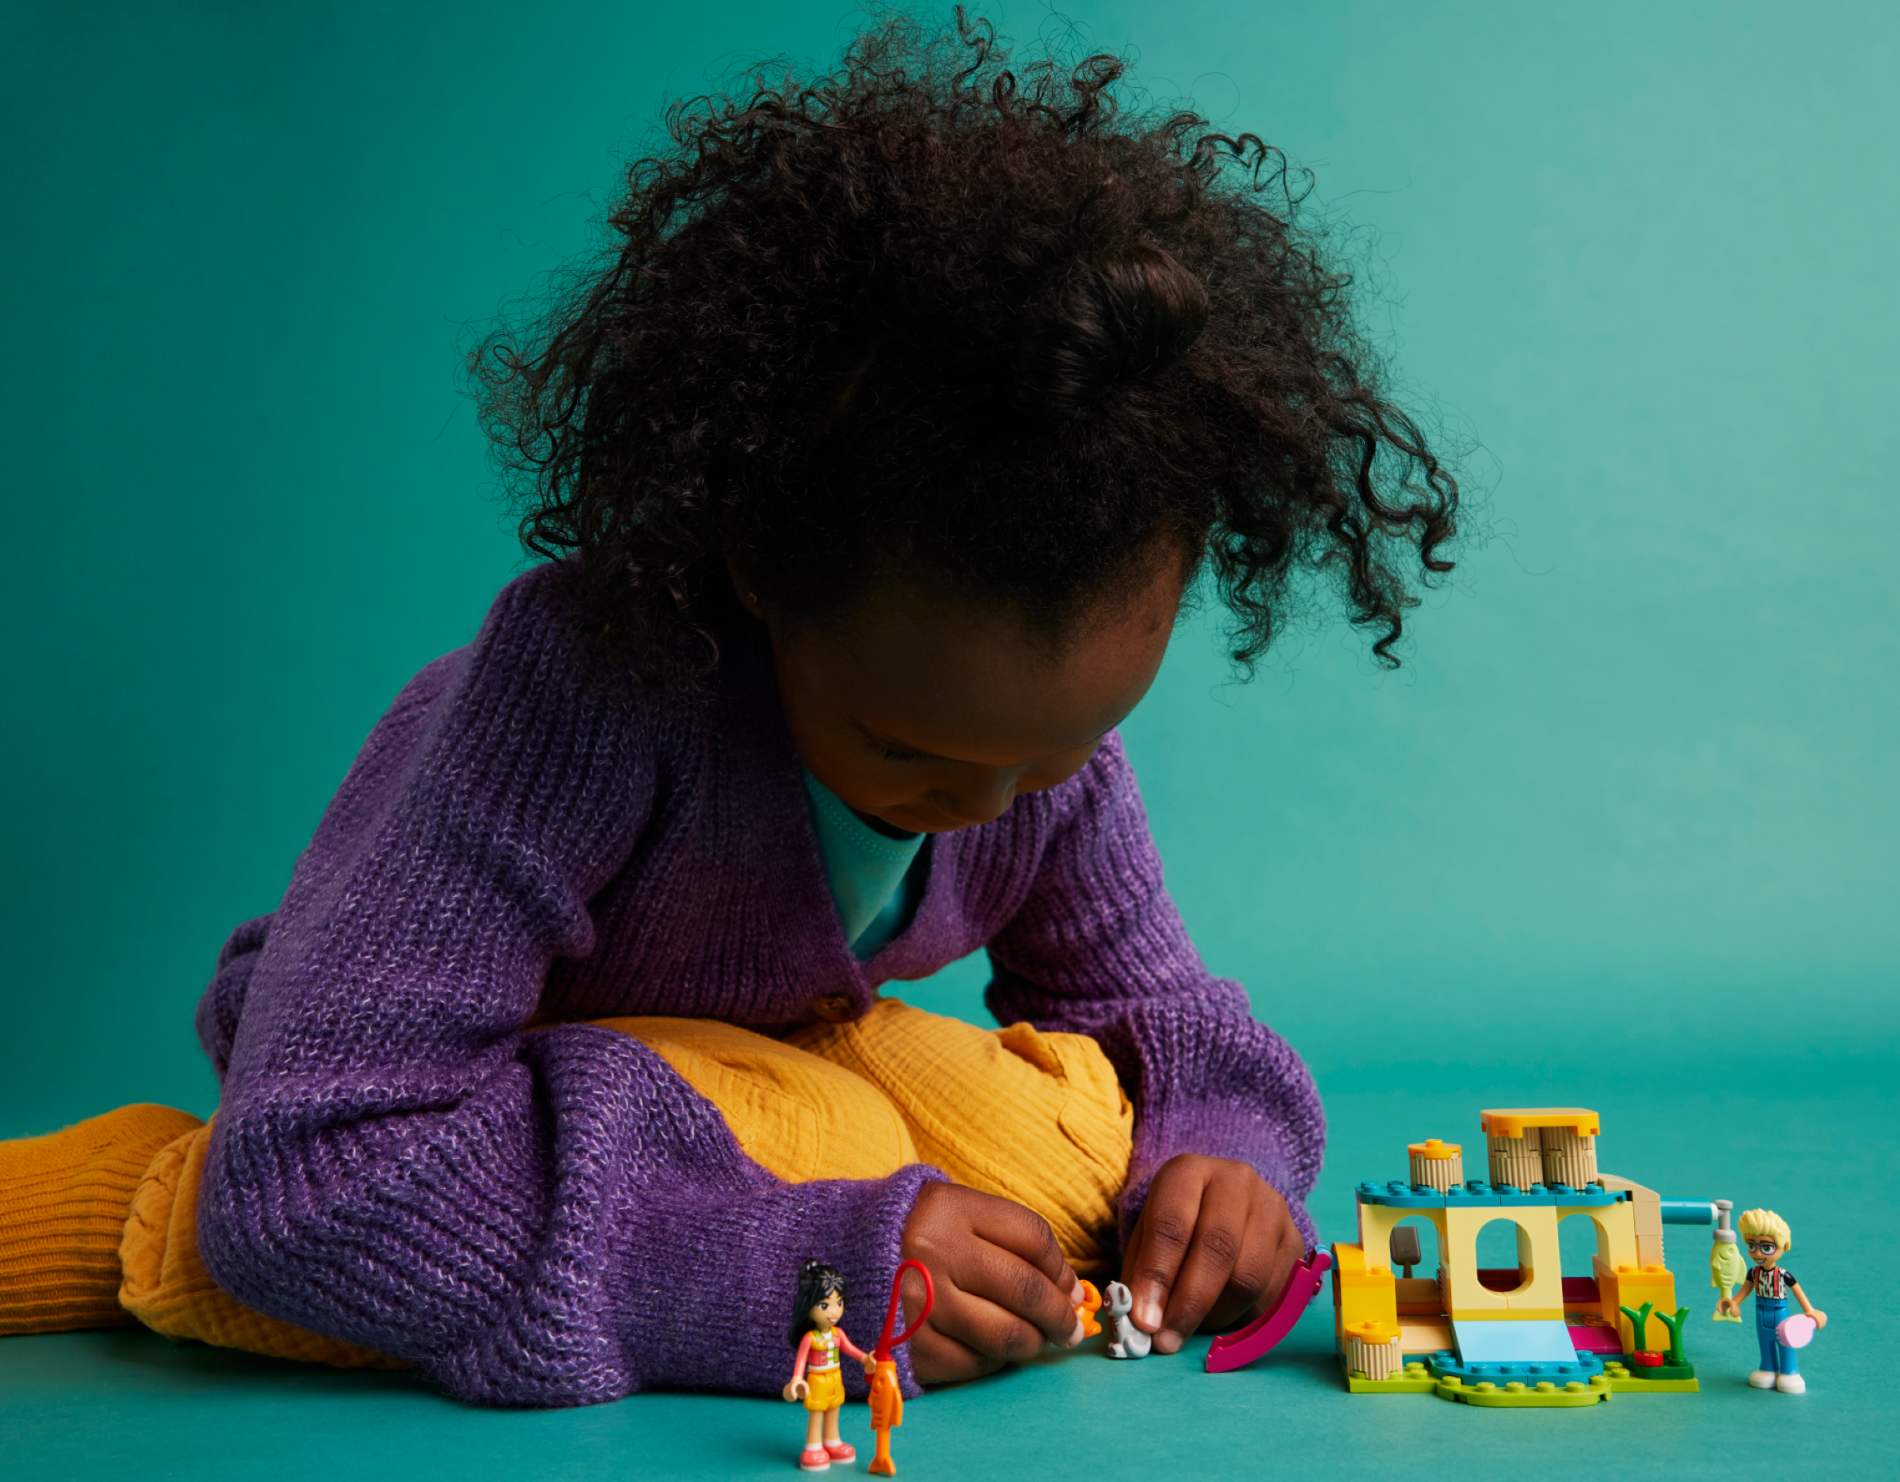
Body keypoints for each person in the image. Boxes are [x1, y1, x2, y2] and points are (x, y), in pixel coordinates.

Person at [0, 11, 1456, 1405]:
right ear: (761, 565)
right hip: (418, 1089)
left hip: (764, 1061)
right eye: (906, 747)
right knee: (800, 1142)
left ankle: (824, 1184)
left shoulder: (1029, 763)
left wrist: (1224, 1157)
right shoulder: (585, 692)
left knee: (1057, 1161)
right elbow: (317, 1170)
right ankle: (146, 1200)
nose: (984, 804)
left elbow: (1152, 1009)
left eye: (1054, 752)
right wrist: (787, 1279)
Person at [1716, 1208, 1826, 1393]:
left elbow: (1798, 1292)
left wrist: (1809, 1311)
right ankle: (1768, 1369)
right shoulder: (1753, 1273)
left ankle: (1790, 1372)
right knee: (1765, 1341)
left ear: (1784, 1246)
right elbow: (1744, 1290)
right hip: (1761, 1311)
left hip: (1780, 1312)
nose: (1758, 1253)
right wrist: (1733, 1303)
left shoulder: (1783, 1275)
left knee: (1785, 1341)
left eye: (1766, 1247)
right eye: (1752, 1246)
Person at [782, 1261, 877, 1472]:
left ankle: (832, 1441)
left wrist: (866, 1360)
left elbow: (851, 1350)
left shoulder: (837, 1334)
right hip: (816, 1380)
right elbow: (800, 1363)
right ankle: (813, 1447)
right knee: (817, 1412)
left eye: (839, 1303)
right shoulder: (810, 1338)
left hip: (835, 1377)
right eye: (824, 1305)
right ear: (808, 1306)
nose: (834, 1311)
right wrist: (797, 1380)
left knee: (834, 1408)